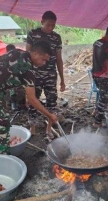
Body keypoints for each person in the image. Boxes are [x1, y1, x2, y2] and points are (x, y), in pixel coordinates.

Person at [26, 11, 65, 139]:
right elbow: (27, 55)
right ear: (42, 22)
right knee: (33, 100)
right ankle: (33, 126)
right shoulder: (33, 34)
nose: (50, 28)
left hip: (50, 74)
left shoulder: (56, 37)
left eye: (53, 25)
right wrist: (28, 75)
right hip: (35, 74)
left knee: (51, 101)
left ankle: (49, 128)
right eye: (48, 25)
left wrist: (62, 79)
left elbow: (59, 59)